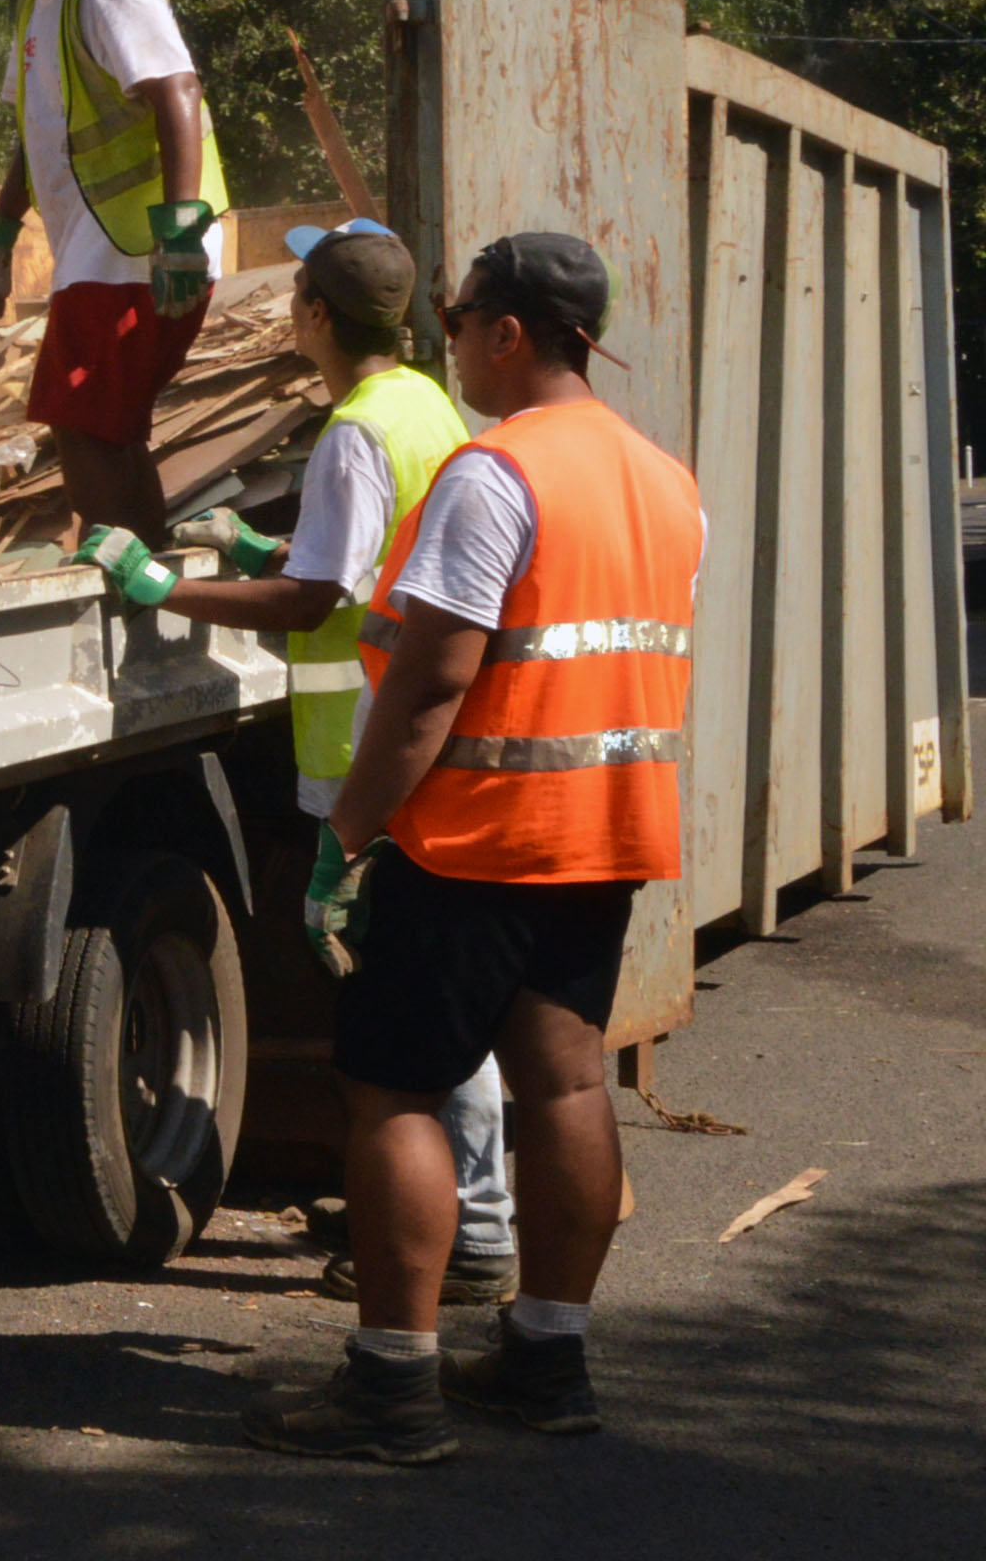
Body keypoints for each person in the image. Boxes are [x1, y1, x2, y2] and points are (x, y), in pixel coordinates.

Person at [242, 232, 703, 1465]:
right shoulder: (664, 478)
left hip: (475, 836)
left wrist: (346, 837)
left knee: (390, 1086)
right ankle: (546, 1355)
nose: (447, 340)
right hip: (602, 831)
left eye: (456, 321)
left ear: (506, 331)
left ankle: (391, 1385)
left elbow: (433, 686)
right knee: (561, 1082)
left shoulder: (495, 472)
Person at [76, 224, 519, 1310]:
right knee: (429, 999)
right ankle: (448, 1205)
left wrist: (157, 584)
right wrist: (263, 548)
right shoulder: (420, 404)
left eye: (297, 296)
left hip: (369, 746)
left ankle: (469, 1231)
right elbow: (366, 565)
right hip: (408, 742)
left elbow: (318, 603)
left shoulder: (353, 434)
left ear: (314, 314)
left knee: (410, 1009)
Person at [0, 0, 232, 541]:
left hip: (138, 248)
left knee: (83, 419)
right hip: (101, 247)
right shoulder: (34, 7)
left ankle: (125, 572)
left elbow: (178, 91)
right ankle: (139, 568)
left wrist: (179, 231)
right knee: (97, 427)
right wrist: (1, 228)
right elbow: (35, 132)